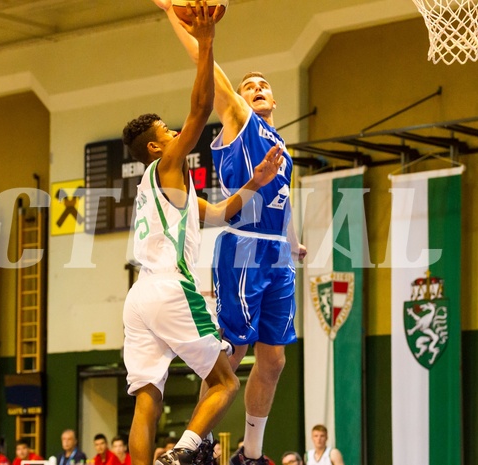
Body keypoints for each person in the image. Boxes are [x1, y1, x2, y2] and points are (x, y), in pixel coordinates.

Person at [122, 4, 285, 465]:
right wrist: (207, 39)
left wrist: (255, 182)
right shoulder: (168, 163)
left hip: (139, 299)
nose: (177, 133)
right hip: (169, 286)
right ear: (155, 146)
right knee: (226, 382)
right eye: (167, 133)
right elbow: (200, 106)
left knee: (147, 398)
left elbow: (220, 213)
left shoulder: (163, 190)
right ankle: (184, 452)